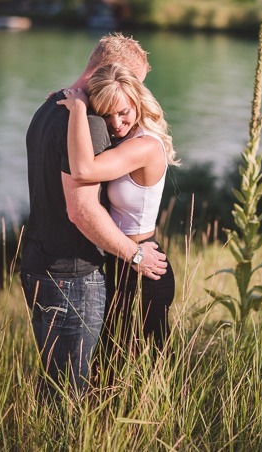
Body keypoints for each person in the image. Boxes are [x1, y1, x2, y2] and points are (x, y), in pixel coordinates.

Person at [20, 33, 168, 399]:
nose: (121, 114)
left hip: (38, 264)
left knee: (67, 380)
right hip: (73, 274)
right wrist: (134, 254)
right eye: (127, 82)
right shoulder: (87, 123)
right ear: (108, 72)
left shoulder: (49, 109)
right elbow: (82, 209)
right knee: (70, 390)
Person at [57, 62, 178, 359]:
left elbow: (84, 170)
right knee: (112, 360)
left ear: (138, 101)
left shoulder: (145, 145)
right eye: (106, 114)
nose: (115, 123)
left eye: (123, 112)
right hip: (123, 258)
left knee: (147, 365)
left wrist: (77, 111)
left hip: (142, 265)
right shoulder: (124, 140)